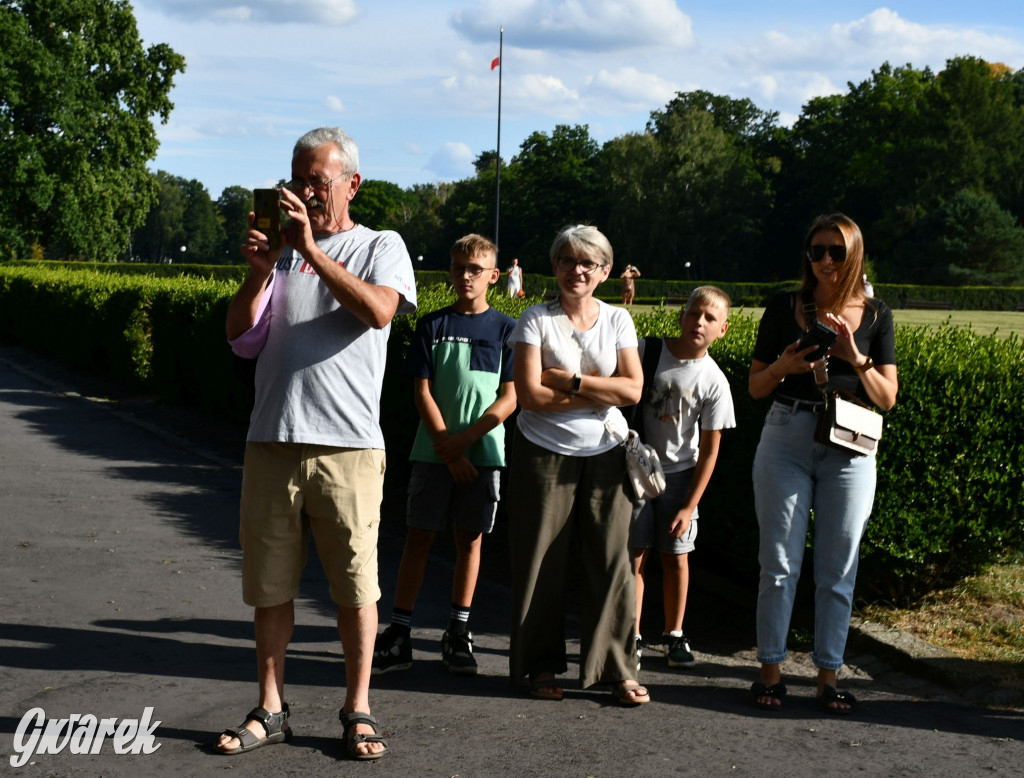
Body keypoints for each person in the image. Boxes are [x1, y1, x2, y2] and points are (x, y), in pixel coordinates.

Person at [216, 127, 416, 760]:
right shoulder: (280, 254)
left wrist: (311, 250)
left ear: (351, 184)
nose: (303, 192)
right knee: (270, 586)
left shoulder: (380, 245)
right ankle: (270, 709)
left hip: (348, 447)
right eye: (297, 179)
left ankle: (357, 708)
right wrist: (257, 275)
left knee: (357, 587)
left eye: (317, 182)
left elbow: (380, 311)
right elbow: (240, 339)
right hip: (272, 439)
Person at [748, 213, 897, 714]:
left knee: (838, 568)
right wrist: (786, 366)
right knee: (779, 564)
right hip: (787, 433)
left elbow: (888, 397)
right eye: (817, 251)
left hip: (850, 444)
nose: (826, 261)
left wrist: (857, 358)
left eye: (836, 251)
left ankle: (828, 678)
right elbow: (755, 386)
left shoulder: (877, 315)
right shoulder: (784, 307)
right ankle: (770, 671)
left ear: (854, 252)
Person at [506, 224, 648, 706]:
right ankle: (540, 666)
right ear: (556, 266)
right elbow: (528, 395)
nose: (577, 270)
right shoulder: (534, 319)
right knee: (541, 562)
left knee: (612, 562)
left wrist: (567, 382)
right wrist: (595, 392)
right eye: (568, 260)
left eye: (588, 262)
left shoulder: (617, 322)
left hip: (607, 453)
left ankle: (617, 668)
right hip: (542, 454)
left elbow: (633, 391)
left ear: (606, 271)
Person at [372, 234, 517, 676]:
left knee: (469, 541)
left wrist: (466, 441)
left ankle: (458, 631)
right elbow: (421, 392)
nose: (466, 277)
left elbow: (509, 398)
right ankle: (399, 631)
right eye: (458, 268)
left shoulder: (507, 330)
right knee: (419, 537)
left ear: (494, 276)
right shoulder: (431, 325)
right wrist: (448, 448)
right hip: (434, 454)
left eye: (475, 270)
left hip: (484, 455)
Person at [630, 286, 735, 671]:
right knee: (634, 557)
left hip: (679, 477)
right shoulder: (647, 351)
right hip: (635, 471)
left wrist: (690, 505)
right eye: (694, 314)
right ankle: (632, 634)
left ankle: (675, 634)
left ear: (723, 329)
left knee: (676, 557)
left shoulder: (714, 381)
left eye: (710, 319)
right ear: (681, 315)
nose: (699, 323)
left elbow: (710, 450)